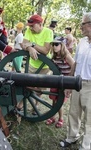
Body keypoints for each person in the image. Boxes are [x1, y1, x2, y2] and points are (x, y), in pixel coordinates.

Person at [60, 12, 91, 150]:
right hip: (77, 82)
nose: (80, 27)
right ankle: (72, 137)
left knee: (89, 119)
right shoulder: (82, 42)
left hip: (90, 85)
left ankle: (85, 146)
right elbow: (75, 64)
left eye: (82, 24)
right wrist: (69, 83)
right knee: (73, 112)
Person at [21, 14, 53, 113]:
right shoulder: (28, 31)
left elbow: (46, 50)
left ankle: (36, 105)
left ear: (40, 24)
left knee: (39, 88)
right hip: (32, 64)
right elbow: (23, 44)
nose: (30, 28)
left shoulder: (48, 32)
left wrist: (33, 44)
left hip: (44, 66)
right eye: (29, 26)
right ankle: (21, 104)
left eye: (32, 26)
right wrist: (30, 48)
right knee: (28, 85)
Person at [45, 38, 75, 128]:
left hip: (65, 82)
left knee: (59, 102)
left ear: (62, 45)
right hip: (57, 80)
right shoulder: (54, 56)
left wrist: (69, 79)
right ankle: (53, 116)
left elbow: (73, 65)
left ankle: (61, 118)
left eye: (57, 44)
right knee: (54, 100)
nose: (54, 46)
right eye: (53, 44)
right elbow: (52, 67)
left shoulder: (66, 56)